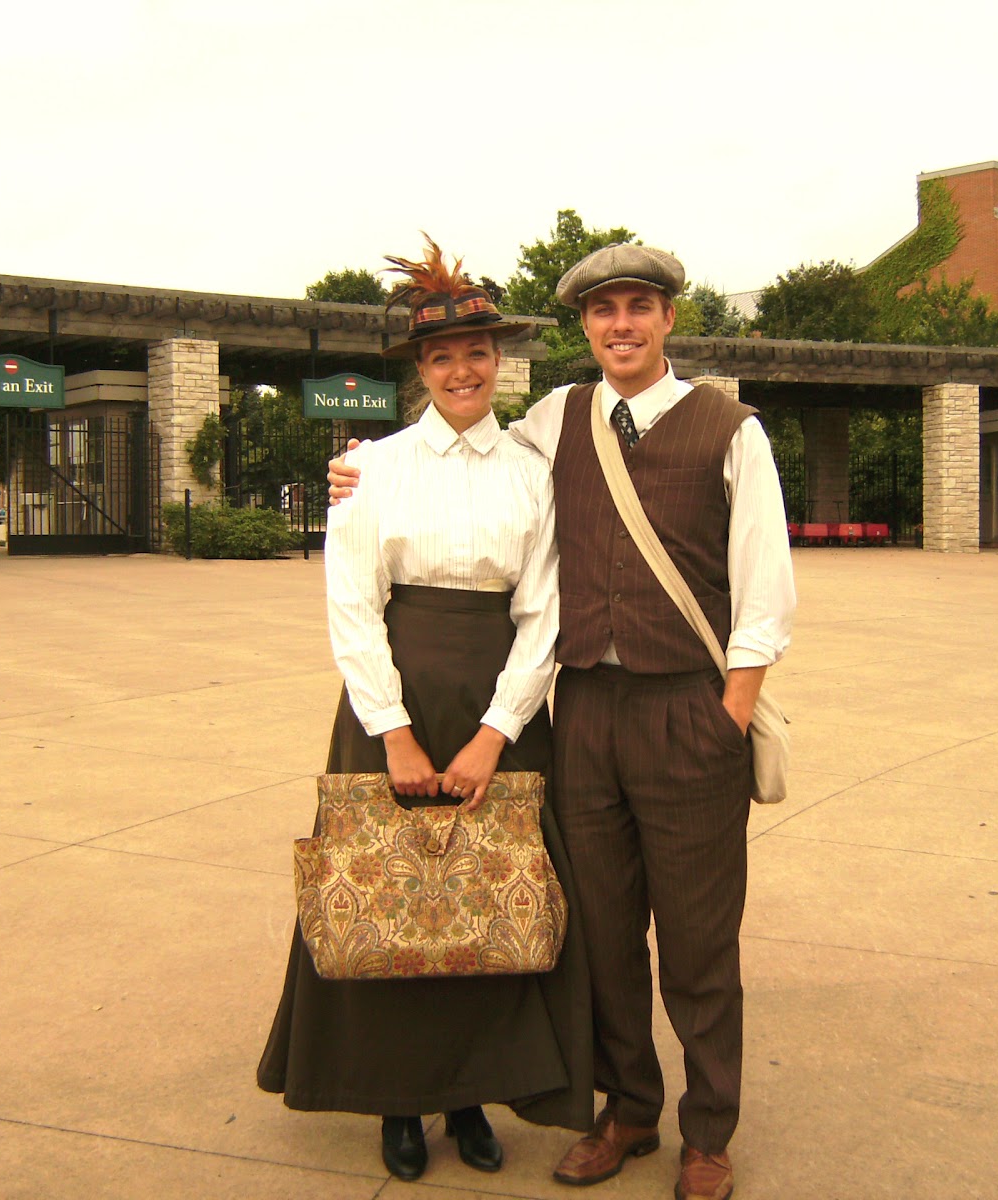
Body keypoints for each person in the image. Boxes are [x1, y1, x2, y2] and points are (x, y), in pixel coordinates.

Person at [332, 243, 797, 1200]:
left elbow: (766, 585)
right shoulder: (555, 419)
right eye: (602, 311)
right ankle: (629, 1109)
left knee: (700, 943)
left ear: (669, 317)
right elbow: (451, 449)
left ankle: (708, 1133)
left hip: (687, 711)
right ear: (584, 327)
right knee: (604, 934)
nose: (621, 325)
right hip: (583, 709)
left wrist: (732, 711)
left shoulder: (731, 429)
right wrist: (350, 470)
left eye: (638, 307)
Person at [257, 237, 594, 1183]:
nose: (462, 371)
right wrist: (393, 734)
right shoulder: (372, 468)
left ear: (499, 361)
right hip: (389, 703)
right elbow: (352, 607)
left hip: (499, 702)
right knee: (386, 887)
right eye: (443, 357)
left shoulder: (533, 469)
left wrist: (498, 732)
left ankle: (472, 1094)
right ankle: (396, 1102)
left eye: (477, 353)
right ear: (420, 368)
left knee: (490, 893)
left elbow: (544, 611)